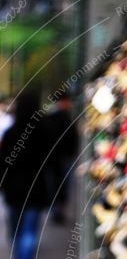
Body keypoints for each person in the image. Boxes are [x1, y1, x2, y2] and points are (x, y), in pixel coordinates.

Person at [0, 88, 53, 259]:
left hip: (14, 191)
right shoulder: (43, 131)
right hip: (35, 189)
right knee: (30, 233)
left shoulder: (11, 133)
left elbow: (3, 163)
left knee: (15, 232)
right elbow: (51, 162)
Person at [47, 90, 78, 225]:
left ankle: (56, 211)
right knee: (62, 184)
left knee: (57, 184)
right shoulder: (63, 117)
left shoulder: (54, 117)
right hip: (62, 158)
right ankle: (58, 211)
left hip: (57, 159)